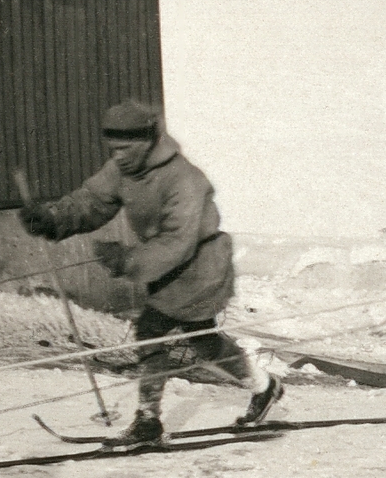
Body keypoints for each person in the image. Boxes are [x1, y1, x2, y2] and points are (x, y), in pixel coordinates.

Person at [18, 99, 284, 446]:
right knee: (202, 339)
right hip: (169, 267)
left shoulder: (185, 180)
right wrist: (55, 219)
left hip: (201, 265)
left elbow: (177, 242)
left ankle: (148, 421)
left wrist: (127, 261)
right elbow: (93, 201)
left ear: (148, 141)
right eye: (113, 149)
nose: (119, 156)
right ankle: (264, 387)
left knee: (151, 329)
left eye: (127, 148)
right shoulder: (124, 169)